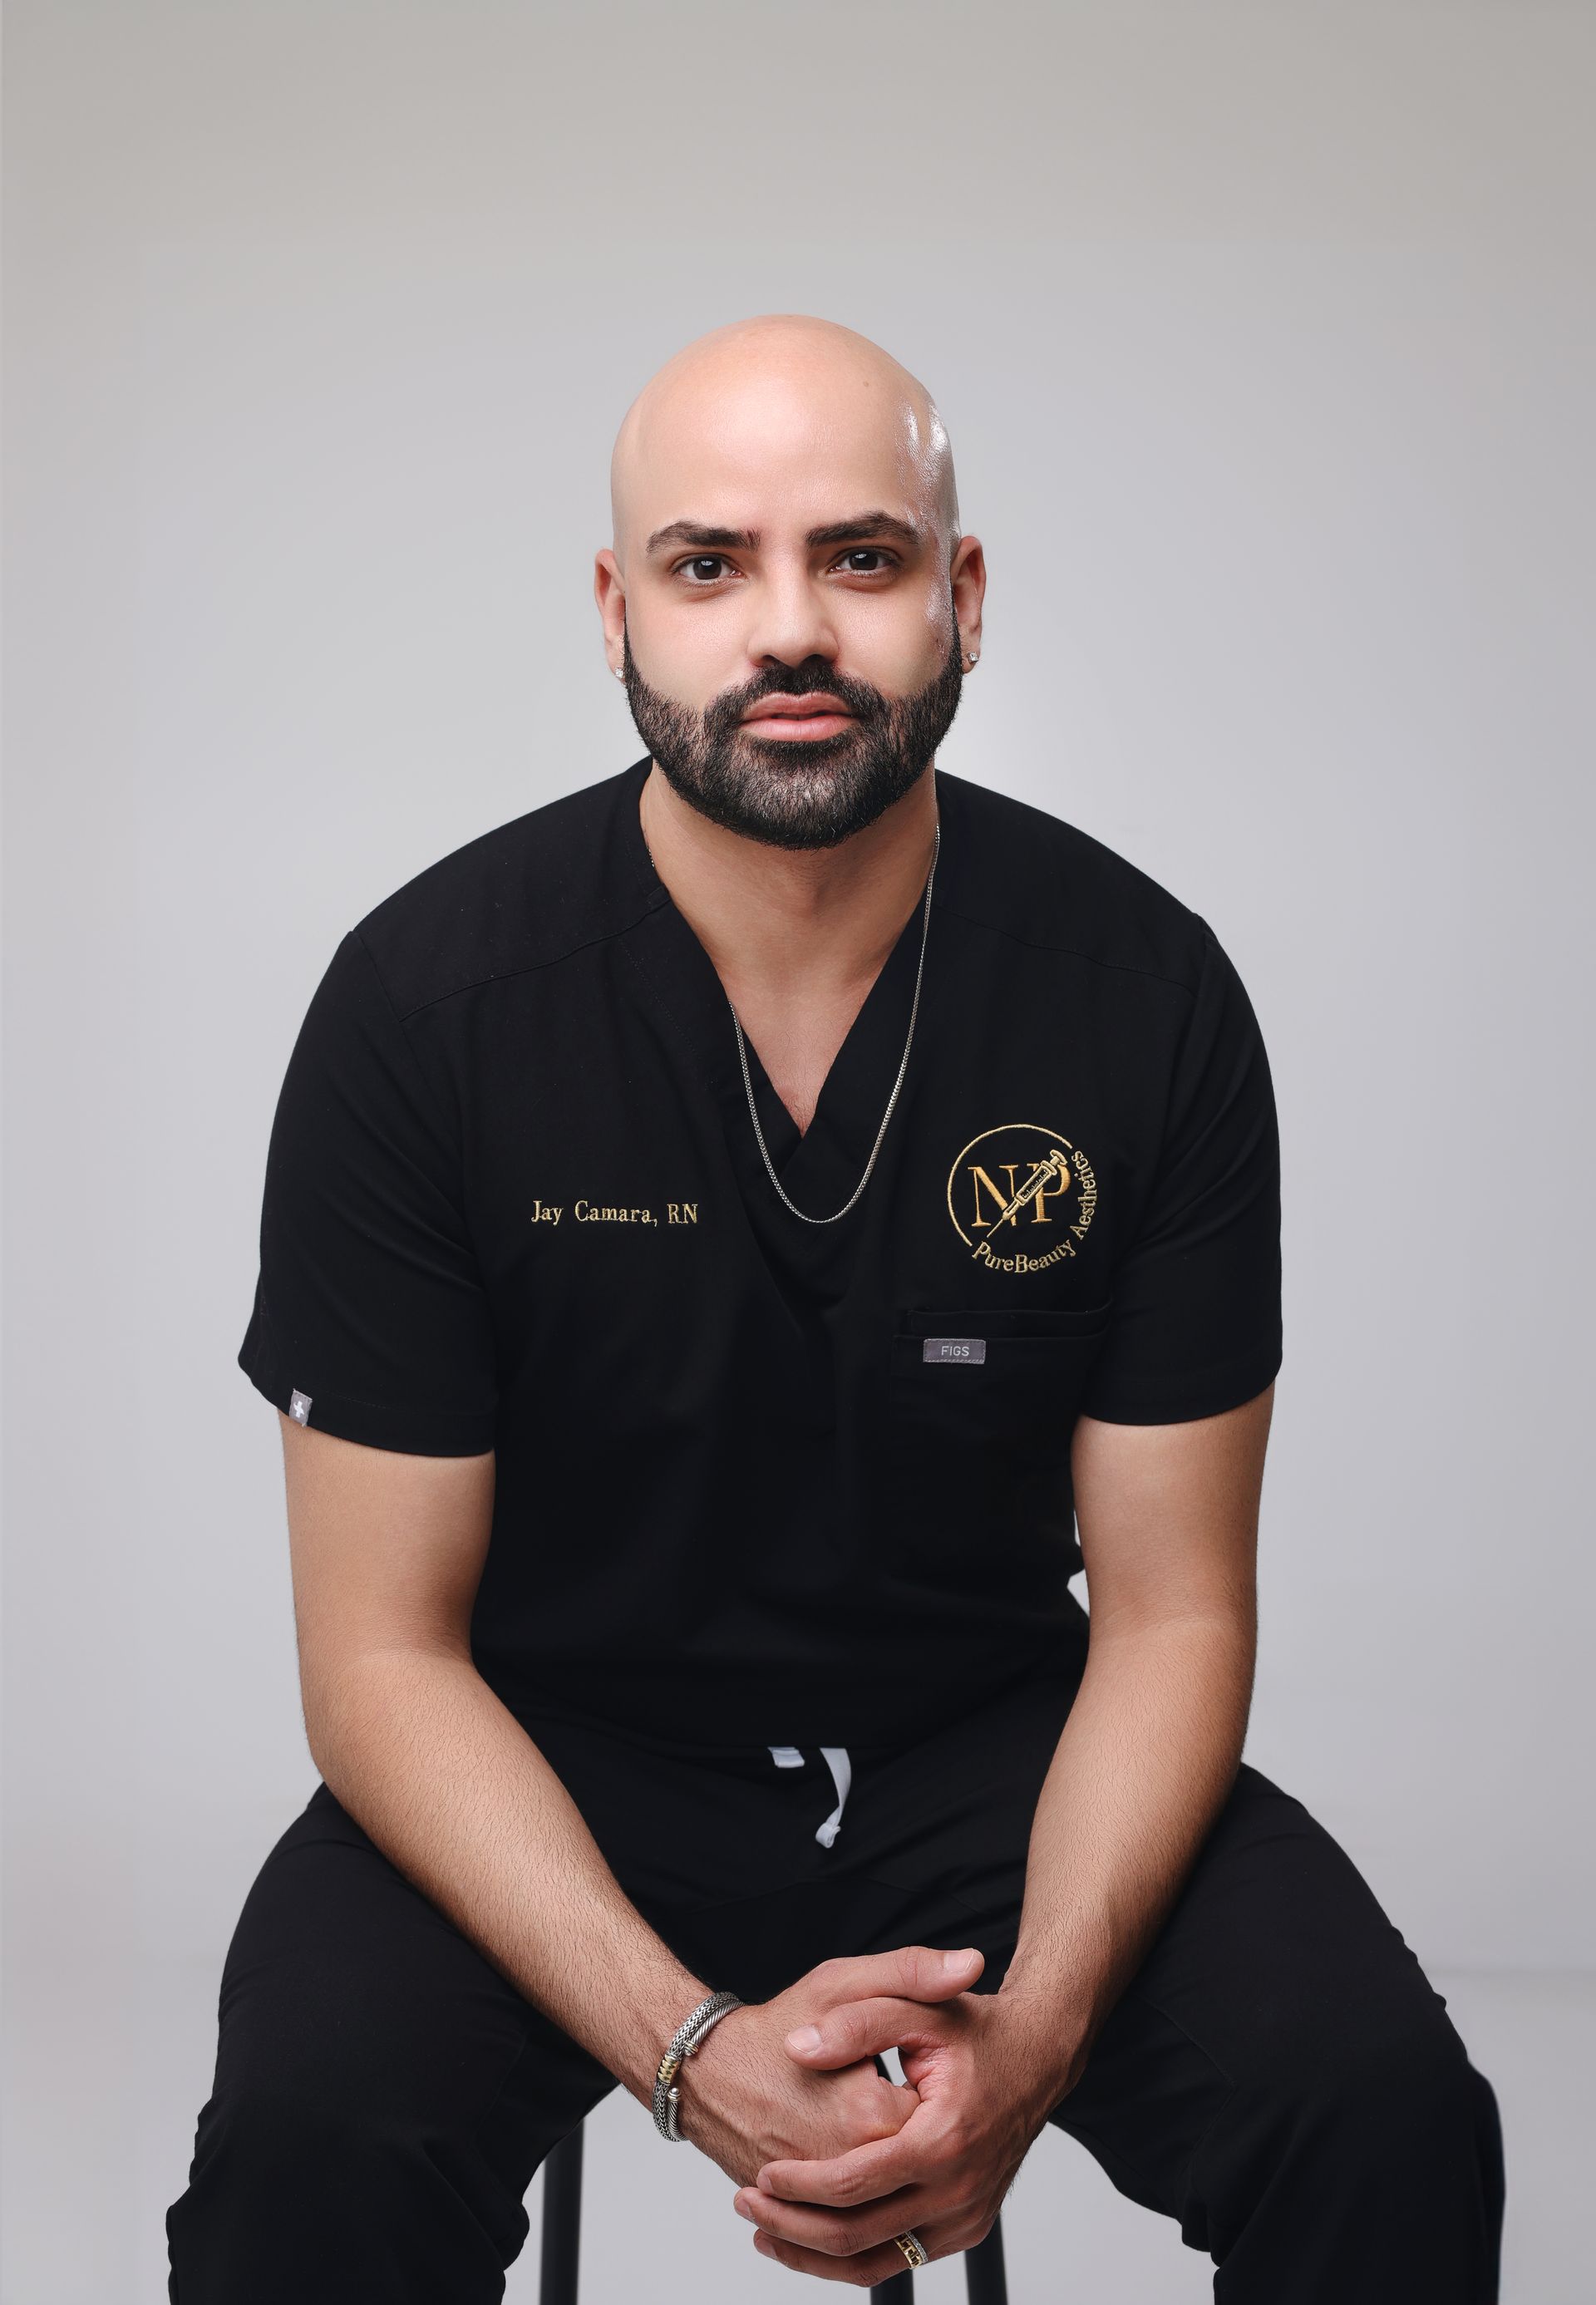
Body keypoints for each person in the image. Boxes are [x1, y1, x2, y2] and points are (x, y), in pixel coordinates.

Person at [165, 313, 1505, 2301]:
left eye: (859, 557)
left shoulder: (1147, 999)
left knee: (1383, 2114)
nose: (788, 630)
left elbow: (1176, 1609)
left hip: (993, 1756)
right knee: (308, 2153)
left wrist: (1036, 2031)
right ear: (617, 611)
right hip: (559, 1754)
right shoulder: (422, 1016)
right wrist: (686, 2047)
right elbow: (378, 1658)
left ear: (962, 595)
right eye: (711, 565)